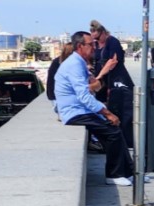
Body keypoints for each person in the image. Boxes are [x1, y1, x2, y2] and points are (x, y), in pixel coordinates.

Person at [56, 30, 134, 186]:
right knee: (112, 131)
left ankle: (128, 172)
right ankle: (114, 174)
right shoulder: (74, 64)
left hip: (81, 109)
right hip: (74, 112)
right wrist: (107, 113)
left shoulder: (79, 62)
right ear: (80, 46)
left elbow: (96, 85)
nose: (94, 47)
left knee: (115, 130)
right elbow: (84, 96)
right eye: (91, 44)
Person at [90, 20, 136, 159]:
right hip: (102, 82)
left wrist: (100, 75)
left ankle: (125, 140)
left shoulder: (112, 42)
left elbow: (113, 61)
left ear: (103, 33)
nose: (96, 41)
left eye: (97, 37)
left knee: (121, 111)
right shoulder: (96, 44)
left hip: (117, 80)